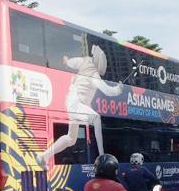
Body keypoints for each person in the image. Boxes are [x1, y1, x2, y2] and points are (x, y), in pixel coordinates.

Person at [36, 36, 122, 167]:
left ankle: (43, 156)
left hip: (72, 100)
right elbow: (108, 91)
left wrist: (67, 61)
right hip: (76, 103)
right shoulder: (93, 75)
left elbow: (72, 62)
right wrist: (119, 89)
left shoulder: (84, 62)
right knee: (96, 118)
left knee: (71, 139)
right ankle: (102, 157)